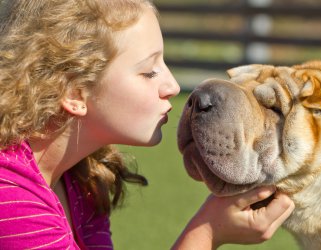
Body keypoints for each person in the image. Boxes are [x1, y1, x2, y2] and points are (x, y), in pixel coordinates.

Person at [0, 0, 295, 249]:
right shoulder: (10, 200)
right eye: (149, 72)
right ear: (75, 93)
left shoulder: (81, 178)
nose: (172, 86)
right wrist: (207, 232)